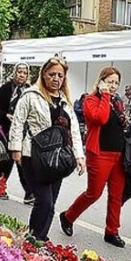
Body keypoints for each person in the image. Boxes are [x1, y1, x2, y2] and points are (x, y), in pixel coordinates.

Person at [9, 57, 85, 241]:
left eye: (60, 75)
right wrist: (16, 149)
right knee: (44, 201)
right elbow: (17, 123)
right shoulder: (30, 95)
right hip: (33, 156)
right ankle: (34, 239)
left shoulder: (65, 101)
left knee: (50, 205)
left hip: (57, 159)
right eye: (52, 74)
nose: (56, 78)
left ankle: (40, 238)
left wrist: (79, 156)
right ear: (43, 74)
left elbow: (73, 129)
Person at [59, 66, 128, 248]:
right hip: (99, 154)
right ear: (101, 81)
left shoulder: (117, 102)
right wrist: (104, 95)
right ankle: (68, 216)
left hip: (118, 154)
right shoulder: (90, 99)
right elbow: (100, 118)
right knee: (94, 193)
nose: (113, 86)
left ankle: (112, 231)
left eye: (116, 83)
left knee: (116, 195)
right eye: (110, 82)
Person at [0, 62, 33, 203]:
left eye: (24, 73)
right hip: (5, 131)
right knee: (5, 161)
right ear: (14, 73)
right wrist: (5, 114)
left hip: (23, 132)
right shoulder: (6, 88)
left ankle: (29, 193)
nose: (21, 75)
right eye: (19, 72)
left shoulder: (29, 90)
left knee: (23, 161)